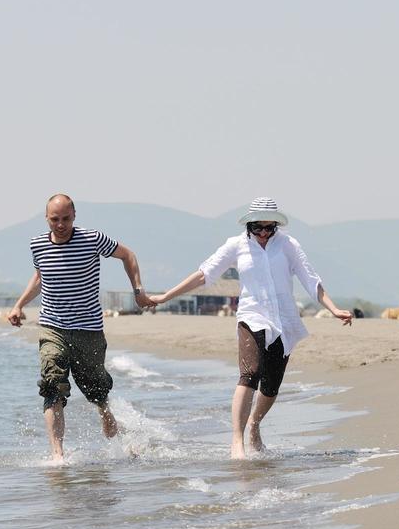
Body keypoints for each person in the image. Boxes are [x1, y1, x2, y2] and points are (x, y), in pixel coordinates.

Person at [147, 196, 352, 459]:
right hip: (251, 316)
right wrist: (165, 297)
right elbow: (204, 275)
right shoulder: (236, 246)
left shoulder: (288, 245)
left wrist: (333, 309)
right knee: (250, 373)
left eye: (270, 228)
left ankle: (254, 424)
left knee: (271, 386)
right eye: (259, 228)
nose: (265, 233)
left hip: (283, 321)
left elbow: (311, 280)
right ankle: (236, 441)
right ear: (249, 225)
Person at [8, 194, 155, 463]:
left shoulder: (92, 239)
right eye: (55, 219)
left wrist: (138, 290)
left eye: (65, 219)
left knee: (95, 388)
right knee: (52, 382)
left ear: (74, 216)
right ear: (46, 218)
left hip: (88, 329)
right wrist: (19, 305)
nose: (60, 225)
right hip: (52, 325)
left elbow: (128, 255)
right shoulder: (38, 244)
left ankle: (104, 411)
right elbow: (40, 277)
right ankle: (57, 455)